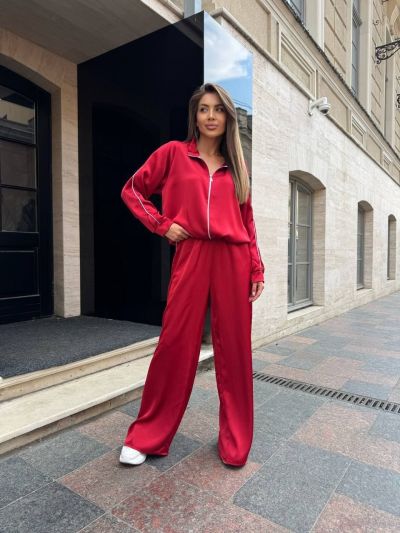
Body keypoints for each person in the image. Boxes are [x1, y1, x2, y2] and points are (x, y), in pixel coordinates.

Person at [119, 82, 265, 467]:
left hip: (234, 258)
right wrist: (162, 224)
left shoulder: (237, 167)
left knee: (235, 350)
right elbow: (133, 191)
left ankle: (235, 440)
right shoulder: (173, 154)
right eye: (204, 109)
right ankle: (148, 435)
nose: (211, 116)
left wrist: (256, 266)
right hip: (192, 252)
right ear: (195, 116)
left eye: (218, 109)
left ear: (228, 117)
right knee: (175, 342)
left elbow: (247, 221)